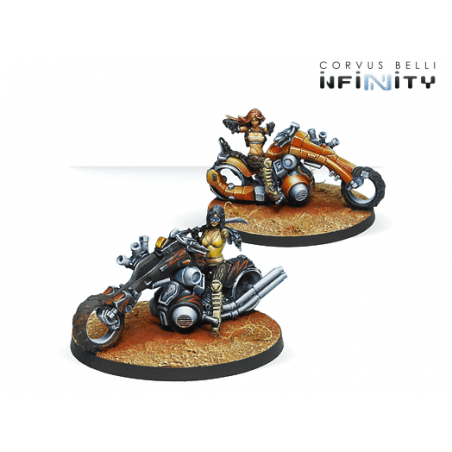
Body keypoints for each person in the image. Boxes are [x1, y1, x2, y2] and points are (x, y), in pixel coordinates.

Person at [192, 205, 242, 334]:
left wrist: (230, 234)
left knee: (215, 288)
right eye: (211, 218)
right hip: (205, 264)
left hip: (219, 265)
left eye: (217, 218)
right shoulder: (205, 231)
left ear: (221, 219)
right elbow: (199, 245)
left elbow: (229, 237)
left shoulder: (223, 232)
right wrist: (195, 235)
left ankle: (215, 324)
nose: (214, 221)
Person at [223, 109, 281, 202]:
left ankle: (277, 185)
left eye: (256, 120)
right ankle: (270, 190)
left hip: (262, 156)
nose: (254, 122)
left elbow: (269, 131)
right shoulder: (247, 129)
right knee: (266, 165)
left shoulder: (262, 130)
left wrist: (271, 126)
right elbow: (237, 128)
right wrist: (231, 124)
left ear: (260, 120)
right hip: (252, 158)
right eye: (252, 120)